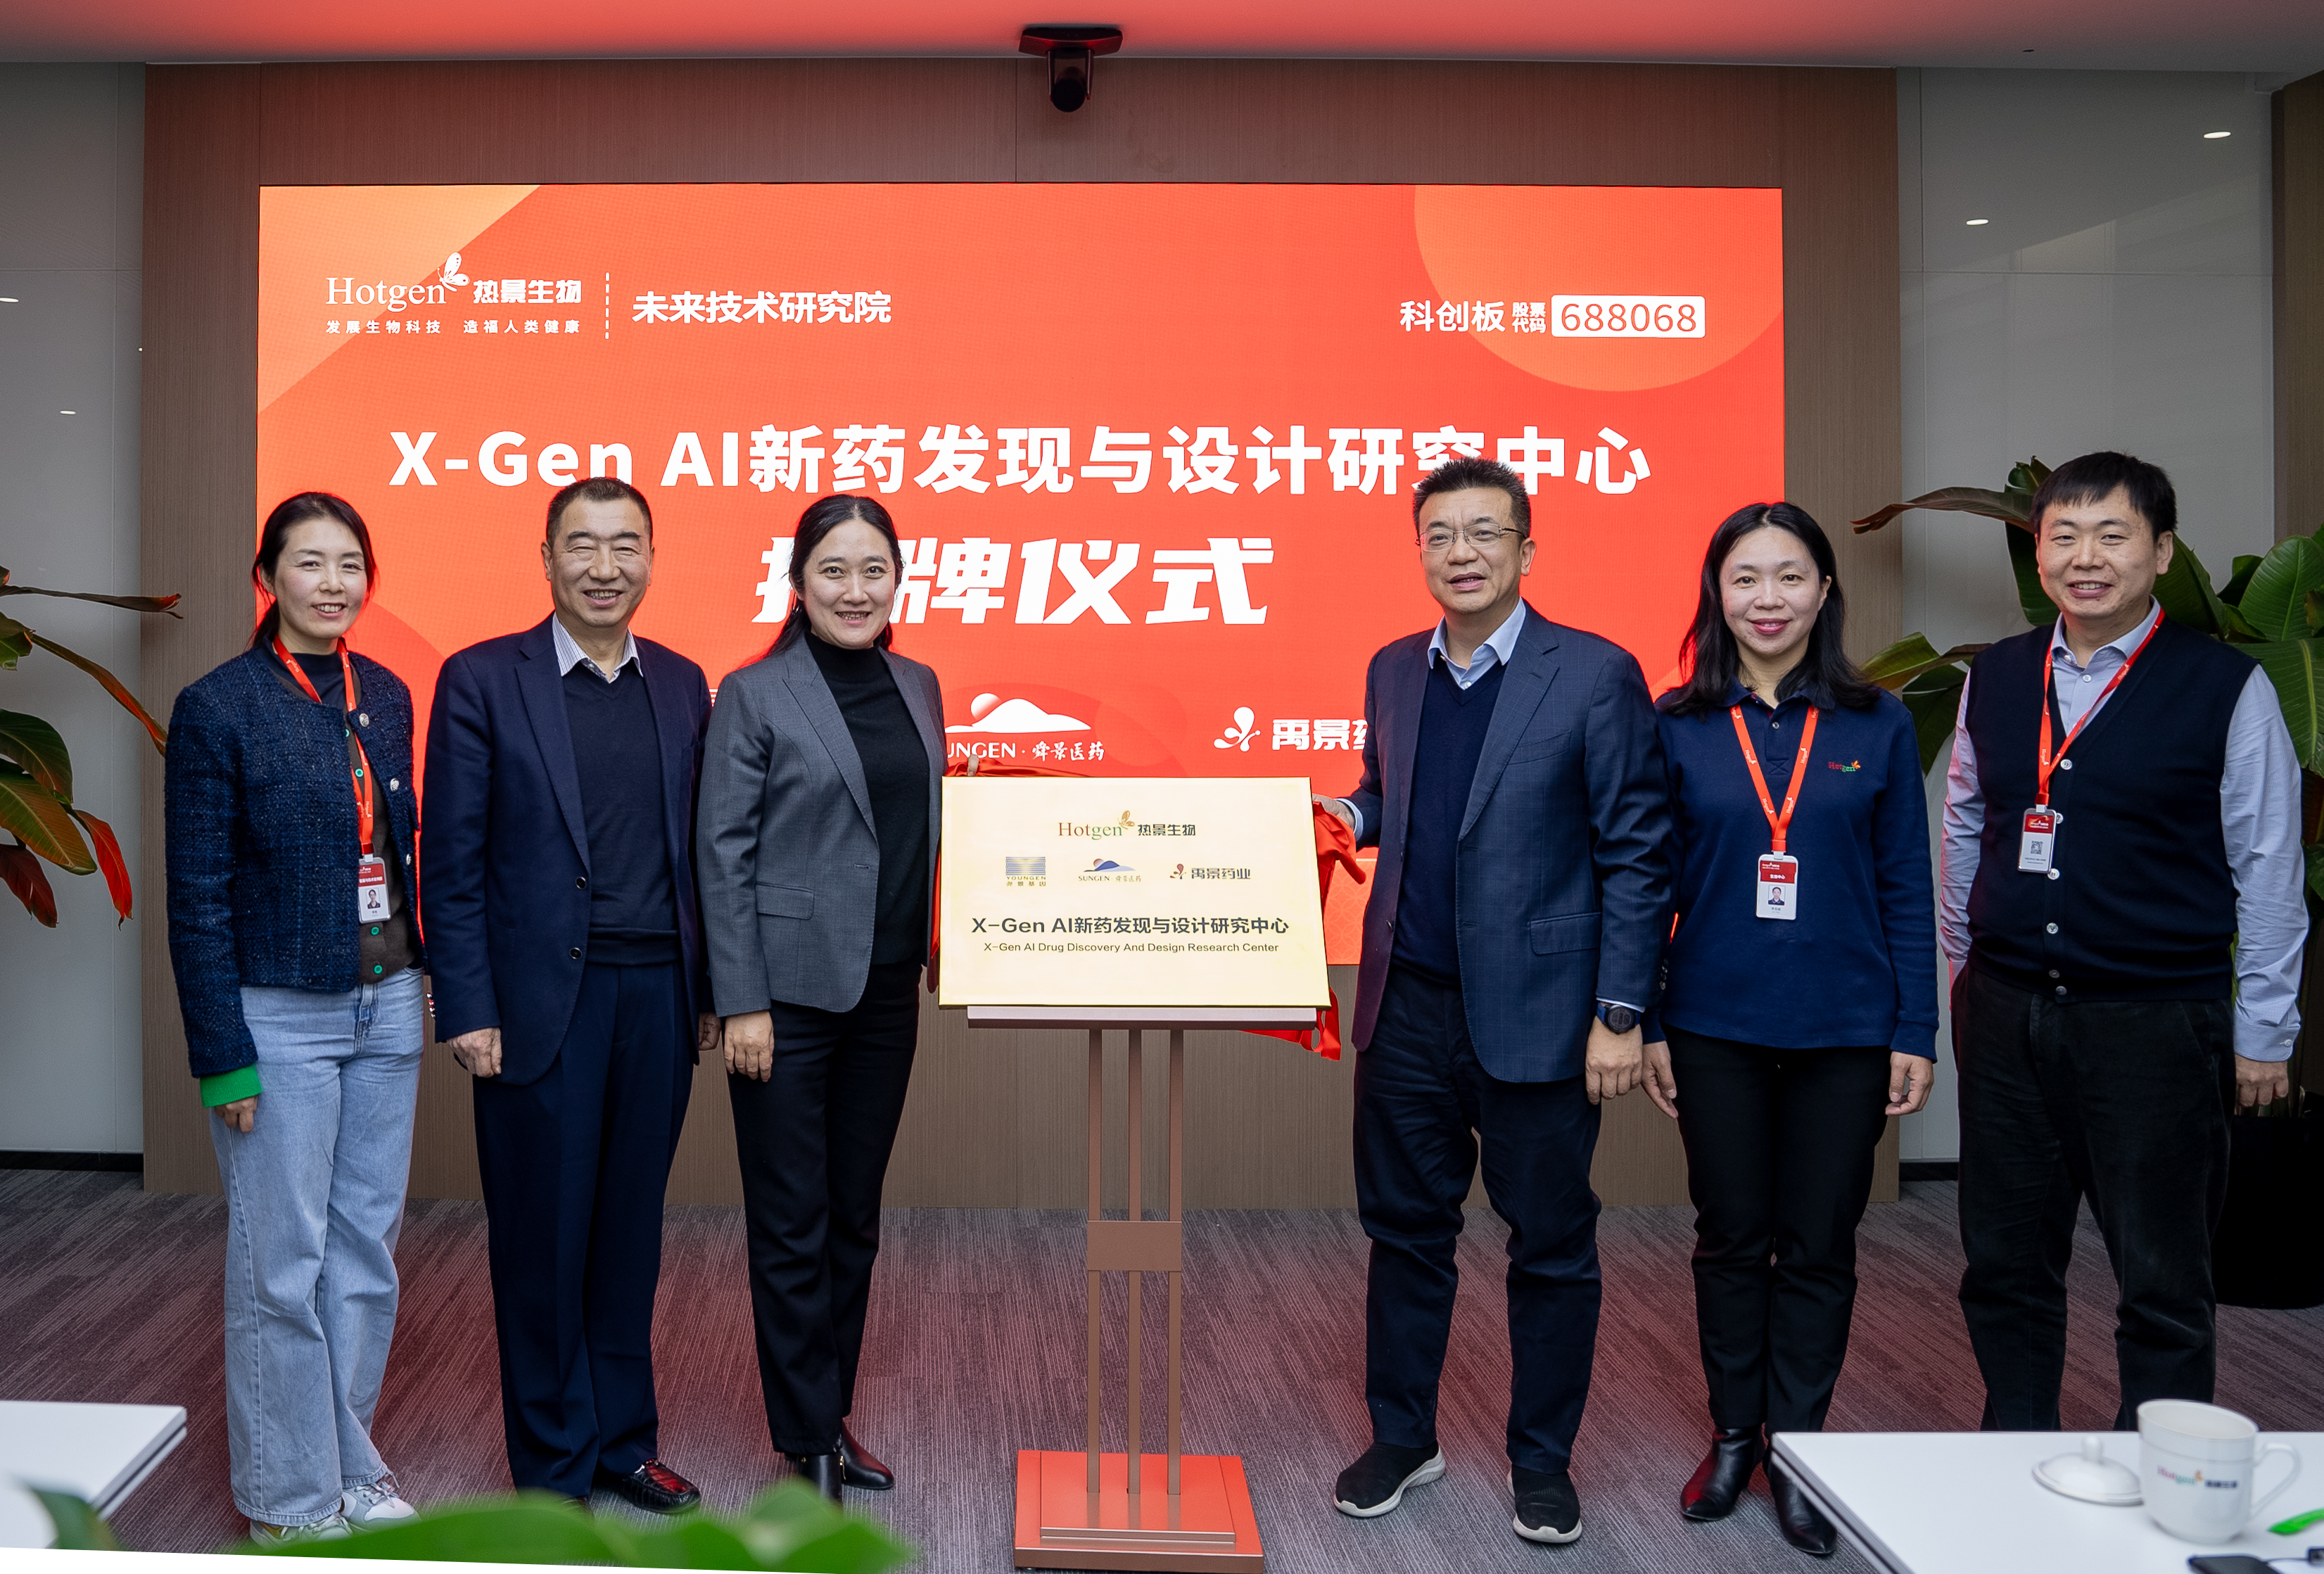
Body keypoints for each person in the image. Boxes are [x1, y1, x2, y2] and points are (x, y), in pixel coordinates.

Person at [1317, 456, 1675, 1547]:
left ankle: (1542, 1459)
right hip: (1406, 1007)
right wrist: (1347, 813)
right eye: (1439, 535)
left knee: (1552, 1243)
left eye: (1483, 532)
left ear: (1527, 548)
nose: (1460, 553)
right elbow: (1392, 793)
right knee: (1404, 1231)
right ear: (1419, 550)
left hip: (1544, 1014)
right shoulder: (1393, 667)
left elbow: (1637, 851)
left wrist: (1622, 1011)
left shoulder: (1595, 673)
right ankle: (1403, 1435)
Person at [1941, 450, 2304, 1430]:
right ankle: (2014, 1450)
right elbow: (1968, 825)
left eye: (2113, 535)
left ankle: (2162, 1467)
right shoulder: (1998, 676)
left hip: (2155, 1022)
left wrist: (2266, 1030)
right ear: (2039, 553)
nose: (2086, 558)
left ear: (2162, 551)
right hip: (2008, 1011)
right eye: (2063, 536)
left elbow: (2269, 864)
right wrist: (1963, 972)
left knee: (2162, 1273)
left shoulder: (2225, 687)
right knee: (2006, 1262)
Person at [1637, 502, 1937, 1556]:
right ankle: (1733, 1437)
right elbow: (1647, 884)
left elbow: (1905, 883)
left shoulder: (1875, 720)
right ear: (1717, 595)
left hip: (1845, 1030)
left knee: (1818, 1243)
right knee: (1729, 1237)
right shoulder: (1677, 722)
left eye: (1790, 576)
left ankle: (1799, 1451)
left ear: (1823, 591)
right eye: (1745, 579)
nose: (1768, 599)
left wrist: (1915, 1028)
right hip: (1711, 1023)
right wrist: (1647, 1019)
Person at [419, 476, 718, 1511]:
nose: (604, 566)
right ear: (544, 558)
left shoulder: (681, 682)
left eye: (626, 545)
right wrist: (466, 1002)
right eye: (582, 545)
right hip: (539, 1004)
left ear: (652, 559)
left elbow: (699, 855)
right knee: (543, 1239)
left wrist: (711, 989)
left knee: (630, 1232)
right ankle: (553, 1468)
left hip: (659, 995)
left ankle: (622, 1442)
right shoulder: (481, 679)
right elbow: (451, 858)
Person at [165, 492, 426, 1544]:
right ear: (266, 578)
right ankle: (288, 1499)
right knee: (282, 1262)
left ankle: (349, 1467)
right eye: (310, 562)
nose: (333, 583)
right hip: (277, 1020)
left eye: (350, 563)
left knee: (366, 1251)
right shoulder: (219, 705)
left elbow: (399, 854)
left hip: (389, 1006)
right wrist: (221, 1055)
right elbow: (198, 895)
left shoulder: (387, 694)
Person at [696, 495, 944, 1502]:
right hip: (786, 1001)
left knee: (854, 1215)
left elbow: (915, 827)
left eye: (873, 569)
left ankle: (830, 1411)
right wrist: (742, 1001)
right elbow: (723, 851)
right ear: (797, 584)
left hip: (886, 991)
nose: (855, 589)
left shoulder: (918, 683)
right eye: (833, 570)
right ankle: (805, 1441)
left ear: (898, 580)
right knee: (792, 1220)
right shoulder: (754, 692)